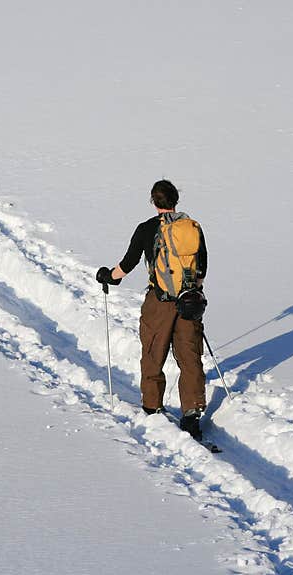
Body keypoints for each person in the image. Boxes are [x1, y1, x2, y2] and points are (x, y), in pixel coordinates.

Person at [96, 180, 208, 439]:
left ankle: (152, 406)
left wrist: (108, 277)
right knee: (190, 356)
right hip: (189, 301)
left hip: (159, 302)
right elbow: (202, 266)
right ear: (176, 199)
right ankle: (191, 414)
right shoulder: (192, 228)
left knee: (153, 353)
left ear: (153, 202)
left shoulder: (147, 229)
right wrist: (191, 292)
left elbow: (126, 266)